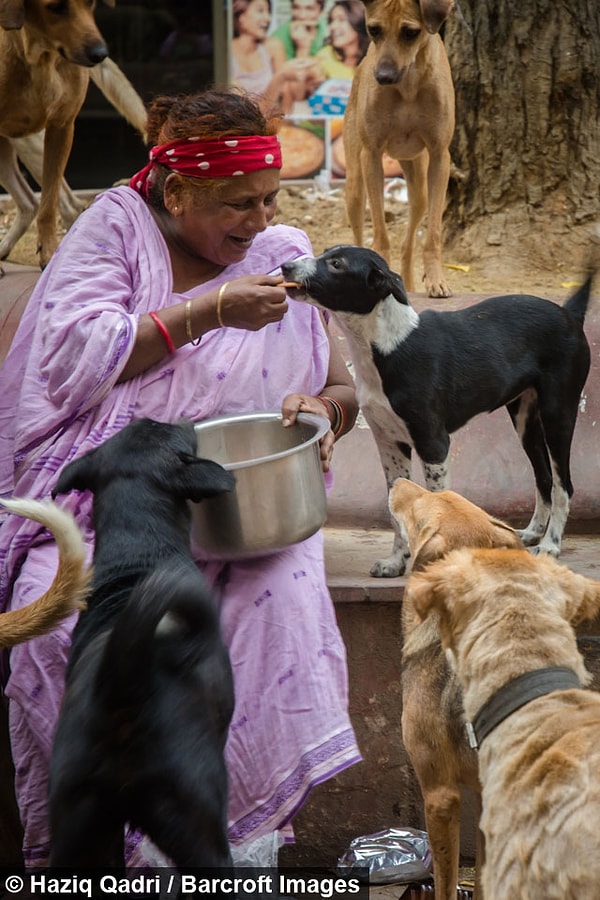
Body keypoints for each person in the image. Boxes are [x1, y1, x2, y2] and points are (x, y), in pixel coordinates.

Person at [0, 88, 361, 869]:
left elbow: (342, 393)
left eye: (270, 199)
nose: (260, 220)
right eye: (237, 204)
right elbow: (70, 361)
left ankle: (229, 845)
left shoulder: (281, 254)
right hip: (110, 503)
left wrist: (318, 415)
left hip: (251, 507)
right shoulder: (113, 234)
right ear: (176, 192)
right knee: (58, 624)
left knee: (279, 611)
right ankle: (118, 859)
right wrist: (210, 310)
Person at [231, 0, 315, 115]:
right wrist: (280, 77)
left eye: (268, 12)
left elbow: (288, 97)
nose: (267, 18)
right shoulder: (225, 54)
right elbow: (250, 114)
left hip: (273, 124)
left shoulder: (273, 46)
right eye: (260, 10)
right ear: (240, 15)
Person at [313, 0, 369, 80]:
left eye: (341, 20)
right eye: (331, 21)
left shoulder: (373, 58)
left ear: (357, 22)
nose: (333, 26)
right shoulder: (325, 56)